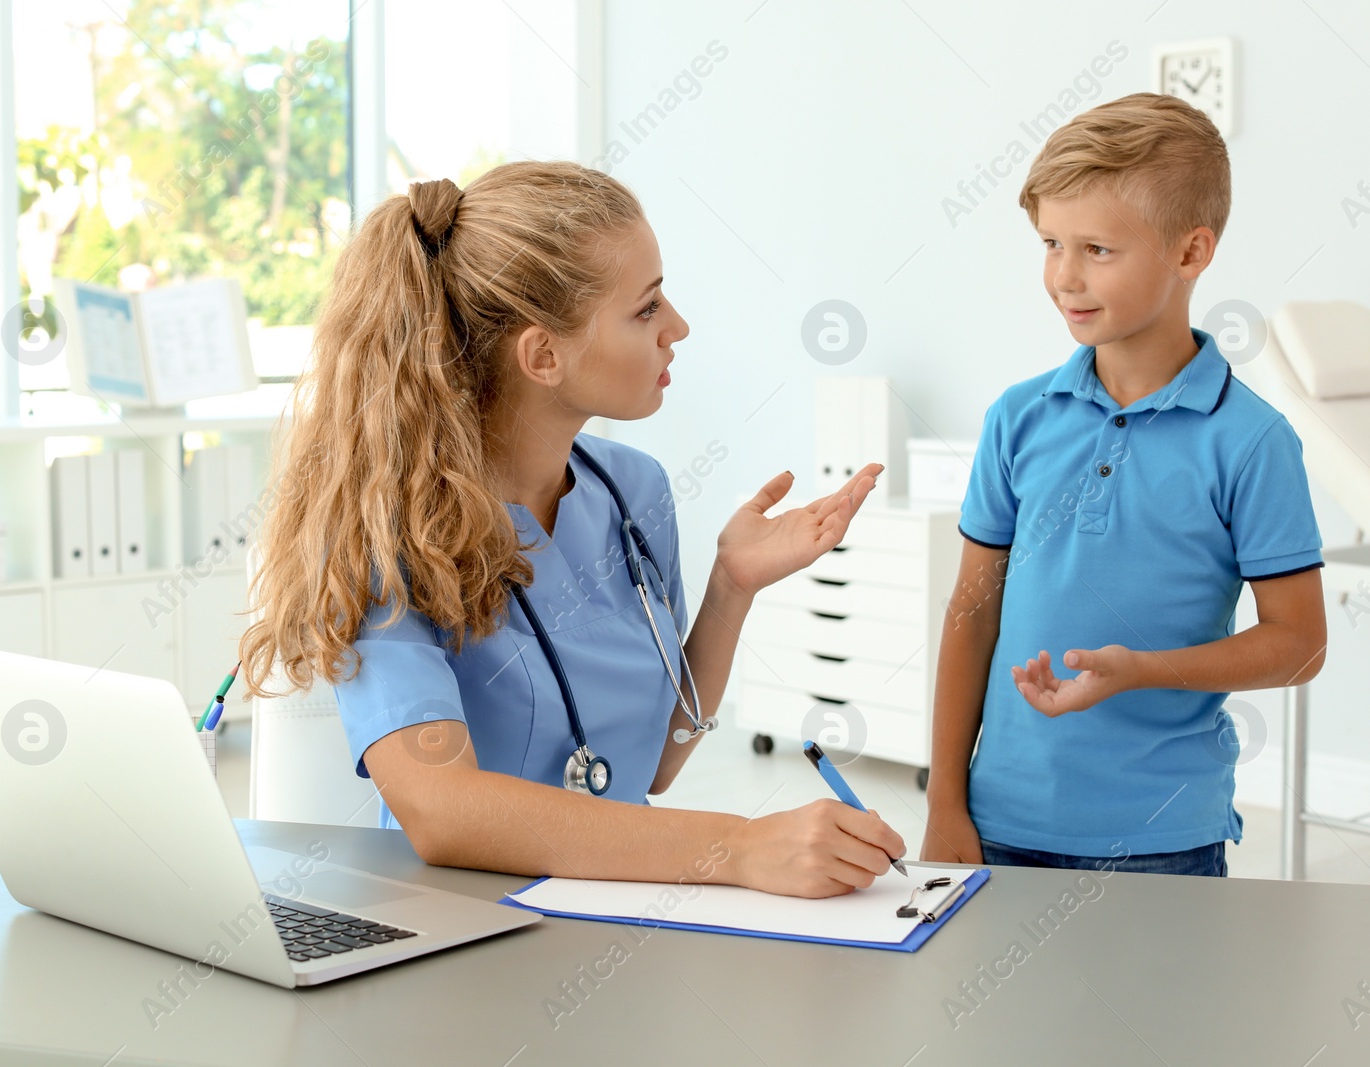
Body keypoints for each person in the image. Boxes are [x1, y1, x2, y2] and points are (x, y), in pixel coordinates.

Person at [240, 161, 906, 898]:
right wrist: (738, 846)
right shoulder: (392, 531)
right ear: (543, 355)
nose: (677, 328)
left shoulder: (637, 491)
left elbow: (653, 764)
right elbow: (441, 808)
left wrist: (731, 588)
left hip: (618, 908)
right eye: (647, 309)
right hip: (464, 934)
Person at [921, 94, 1328, 877]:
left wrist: (1143, 669)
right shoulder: (1018, 418)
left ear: (1190, 252)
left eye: (1098, 249)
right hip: (998, 819)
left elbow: (1300, 643)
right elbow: (971, 614)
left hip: (1163, 838)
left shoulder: (1252, 442)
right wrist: (945, 799)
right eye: (1050, 243)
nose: (1064, 277)